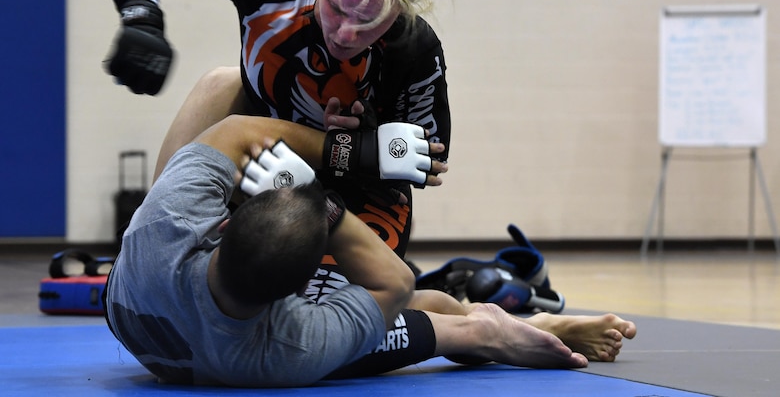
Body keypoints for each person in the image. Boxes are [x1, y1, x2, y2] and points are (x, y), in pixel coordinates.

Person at [104, 113, 636, 387]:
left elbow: (234, 128)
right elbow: (396, 282)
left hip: (162, 308)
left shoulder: (163, 225)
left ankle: (514, 324)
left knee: (219, 83)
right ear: (303, 293)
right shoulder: (292, 346)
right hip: (238, 357)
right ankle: (518, 331)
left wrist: (348, 151)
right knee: (449, 313)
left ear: (221, 221)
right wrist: (325, 202)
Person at [99, 0, 450, 282]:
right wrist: (142, 15)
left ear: (401, 9)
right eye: (335, 7)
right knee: (221, 83)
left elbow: (424, 166)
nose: (345, 34)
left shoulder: (413, 47)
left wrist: (365, 134)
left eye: (370, 22)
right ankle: (156, 237)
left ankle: (490, 328)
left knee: (336, 321)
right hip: (258, 170)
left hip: (347, 202)